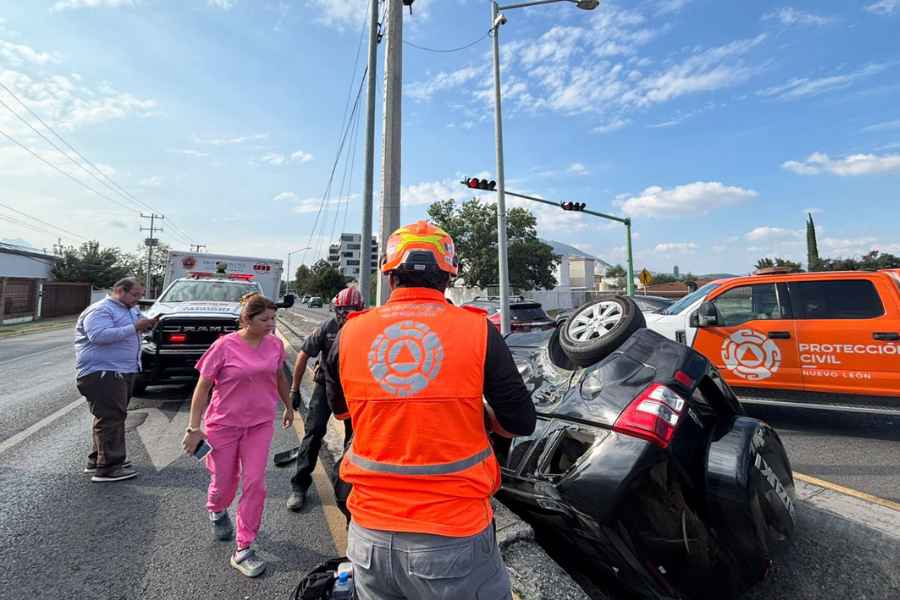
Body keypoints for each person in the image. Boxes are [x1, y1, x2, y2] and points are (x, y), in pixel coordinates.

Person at [323, 221, 536, 600]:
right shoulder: (477, 330)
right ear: (448, 278)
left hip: (368, 537)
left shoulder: (350, 333)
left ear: (390, 277)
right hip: (453, 537)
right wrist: (480, 416)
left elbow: (342, 411)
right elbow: (520, 420)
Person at [181, 293, 294, 578]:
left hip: (259, 423)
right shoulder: (224, 346)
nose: (271, 324)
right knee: (223, 483)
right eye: (264, 319)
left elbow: (279, 377)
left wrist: (289, 405)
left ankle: (244, 547)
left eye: (273, 318)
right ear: (247, 319)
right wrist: (194, 428)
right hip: (224, 425)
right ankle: (216, 509)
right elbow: (203, 388)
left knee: (255, 481)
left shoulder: (275, 345)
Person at [285, 286, 362, 512]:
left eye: (351, 310)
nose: (346, 315)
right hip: (325, 385)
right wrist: (294, 390)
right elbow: (303, 356)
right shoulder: (326, 328)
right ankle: (299, 486)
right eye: (342, 311)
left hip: (353, 390)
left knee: (355, 440)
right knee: (314, 432)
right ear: (335, 310)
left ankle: (352, 489)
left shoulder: (365, 328)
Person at [75, 277, 158, 483]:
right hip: (103, 372)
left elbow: (138, 326)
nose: (138, 299)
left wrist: (147, 325)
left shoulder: (129, 309)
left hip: (121, 371)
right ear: (120, 290)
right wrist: (135, 327)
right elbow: (99, 336)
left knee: (111, 416)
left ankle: (99, 459)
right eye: (135, 295)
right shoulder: (101, 310)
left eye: (140, 295)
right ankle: (109, 468)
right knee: (111, 417)